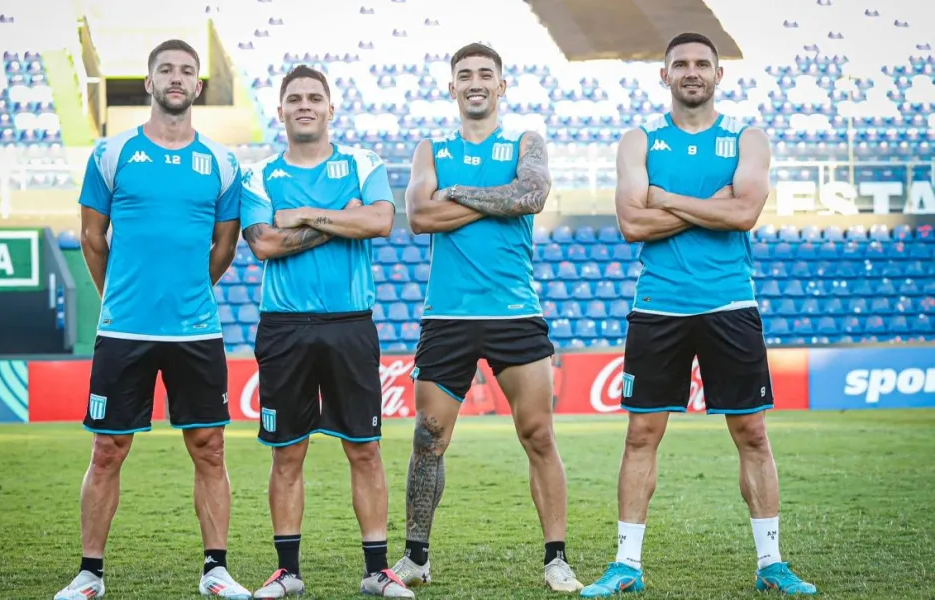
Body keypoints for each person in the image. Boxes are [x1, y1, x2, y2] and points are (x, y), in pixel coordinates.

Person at [579, 32, 817, 597]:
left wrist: (667, 199)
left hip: (730, 302)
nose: (691, 71)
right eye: (680, 64)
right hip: (658, 305)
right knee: (642, 434)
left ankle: (771, 564)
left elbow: (746, 212)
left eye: (701, 64)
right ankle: (626, 567)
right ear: (664, 76)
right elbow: (633, 225)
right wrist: (715, 206)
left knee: (752, 433)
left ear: (718, 75)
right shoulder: (639, 140)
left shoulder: (746, 137)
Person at [54, 39, 252, 600]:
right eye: (165, 69)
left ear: (197, 86)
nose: (176, 77)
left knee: (209, 447)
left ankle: (215, 569)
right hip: (124, 331)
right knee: (107, 450)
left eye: (187, 70)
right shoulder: (111, 153)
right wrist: (117, 295)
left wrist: (189, 291)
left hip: (196, 330)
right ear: (149, 82)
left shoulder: (220, 161)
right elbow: (93, 238)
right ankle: (90, 573)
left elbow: (225, 246)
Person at [389, 43, 583, 593]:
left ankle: (556, 558)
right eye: (464, 75)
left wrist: (457, 193)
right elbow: (419, 215)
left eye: (485, 74)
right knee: (428, 439)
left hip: (514, 311)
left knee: (539, 434)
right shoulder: (431, 148)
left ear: (502, 85)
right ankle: (416, 558)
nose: (475, 82)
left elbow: (534, 193)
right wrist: (497, 198)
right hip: (446, 316)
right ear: (452, 88)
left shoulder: (526, 141)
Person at [239, 65, 413, 599]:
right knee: (287, 452)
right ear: (281, 111)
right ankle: (287, 572)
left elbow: (381, 222)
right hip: (284, 327)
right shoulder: (258, 174)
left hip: (349, 324)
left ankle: (377, 570)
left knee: (364, 448)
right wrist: (340, 217)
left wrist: (305, 215)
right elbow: (265, 245)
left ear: (330, 108)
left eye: (315, 97)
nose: (305, 105)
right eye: (295, 99)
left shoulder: (364, 163)